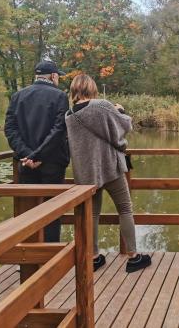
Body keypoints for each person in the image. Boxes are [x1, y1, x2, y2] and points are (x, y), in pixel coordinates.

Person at [65, 74, 151, 273]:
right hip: (109, 168)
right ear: (91, 88)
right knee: (125, 208)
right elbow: (124, 125)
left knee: (92, 214)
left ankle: (94, 257)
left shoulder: (69, 115)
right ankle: (133, 257)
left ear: (74, 90)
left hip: (86, 173)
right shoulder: (101, 105)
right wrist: (120, 110)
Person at [4, 60, 69, 242]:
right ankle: (50, 254)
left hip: (25, 164)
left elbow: (10, 129)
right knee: (52, 210)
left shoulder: (18, 96)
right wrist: (38, 155)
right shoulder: (60, 96)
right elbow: (59, 130)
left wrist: (26, 154)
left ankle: (29, 256)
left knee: (28, 211)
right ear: (54, 76)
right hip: (52, 163)